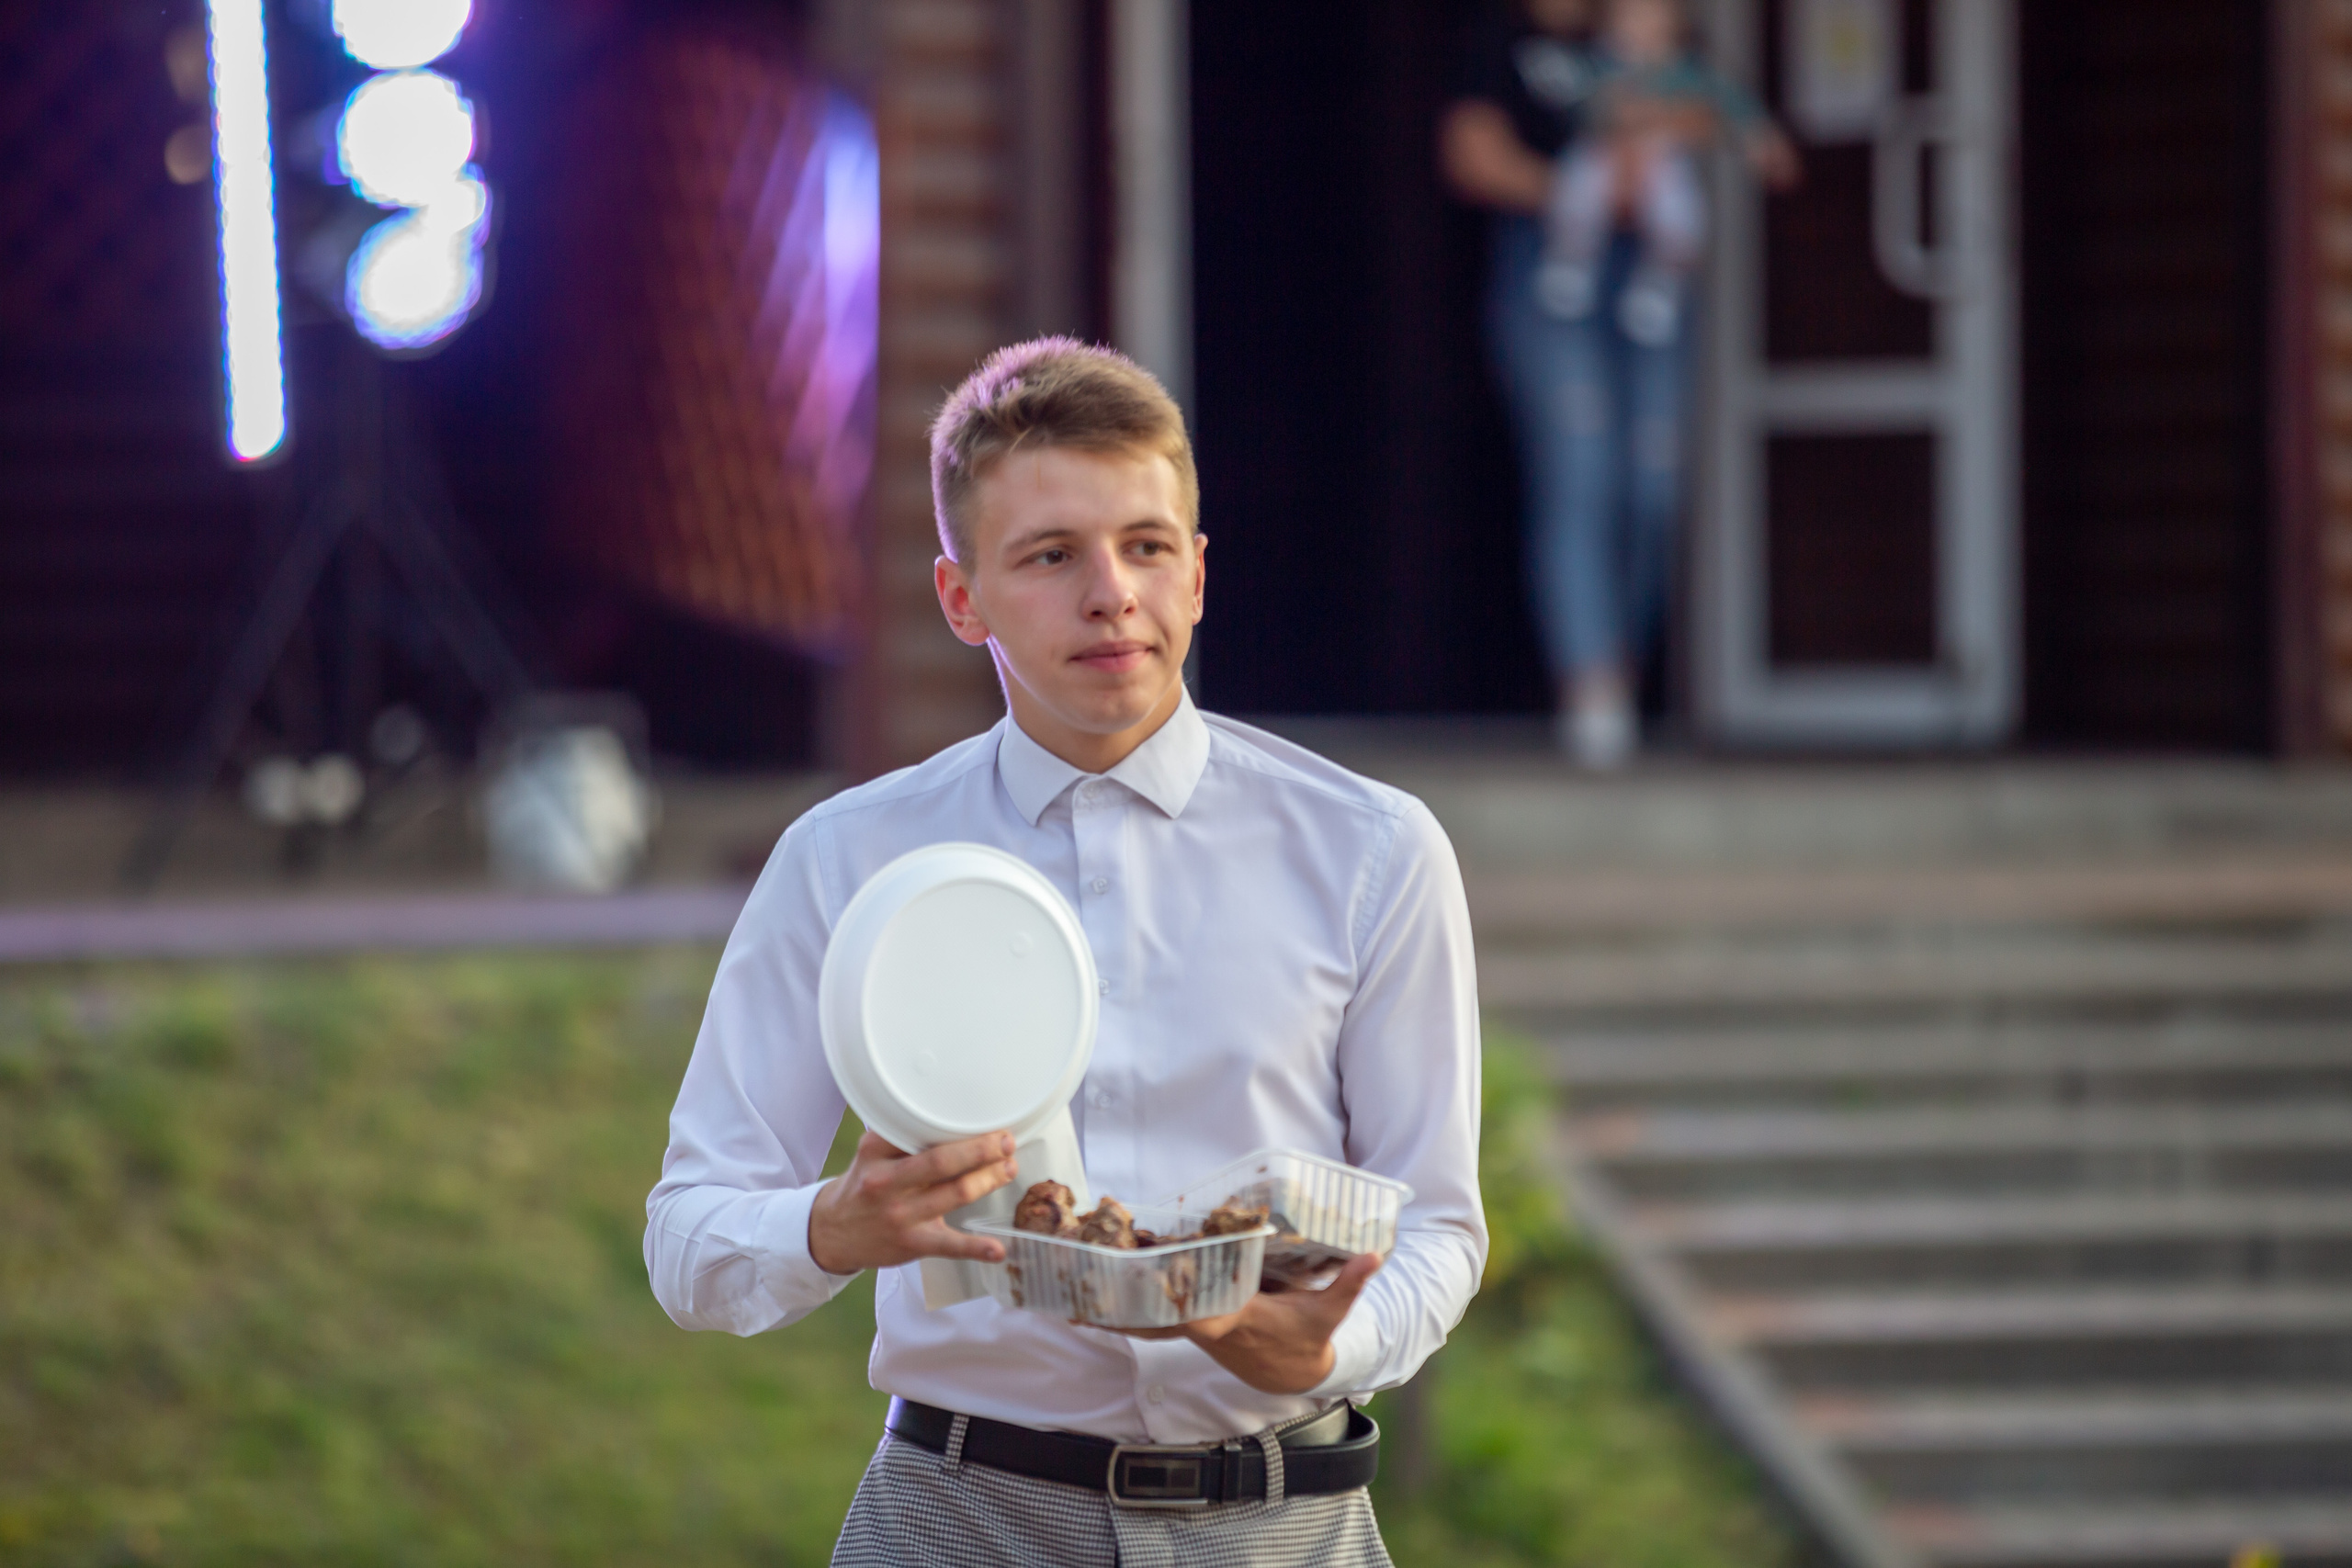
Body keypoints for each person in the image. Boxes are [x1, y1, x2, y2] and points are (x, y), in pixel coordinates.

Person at [645, 338, 1486, 1566]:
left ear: (1198, 574)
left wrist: (1329, 1348)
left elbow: (1441, 1229)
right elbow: (688, 1239)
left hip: (1286, 1527)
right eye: (1050, 555)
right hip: (955, 1520)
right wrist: (835, 1223)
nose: (1113, 592)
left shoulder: (1373, 850)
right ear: (959, 597)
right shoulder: (843, 859)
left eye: (1147, 545)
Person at [1441, 0, 1797, 767]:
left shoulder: (1645, 23)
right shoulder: (1505, 37)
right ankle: (1594, 687)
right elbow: (1470, 154)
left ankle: (1622, 669)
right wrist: (1586, 192)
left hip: (1649, 275)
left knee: (1655, 483)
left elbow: (1706, 103)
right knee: (1581, 473)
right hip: (1552, 268)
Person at [1535, 0, 1797, 346]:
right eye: (1630, 17)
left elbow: (1731, 102)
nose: (1641, 28)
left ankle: (1661, 283)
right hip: (1605, 162)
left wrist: (1761, 140)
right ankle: (1571, 258)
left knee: (1680, 214)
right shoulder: (1597, 64)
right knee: (1580, 186)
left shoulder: (1686, 71)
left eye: (1653, 18)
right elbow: (1572, 95)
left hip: (1661, 163)